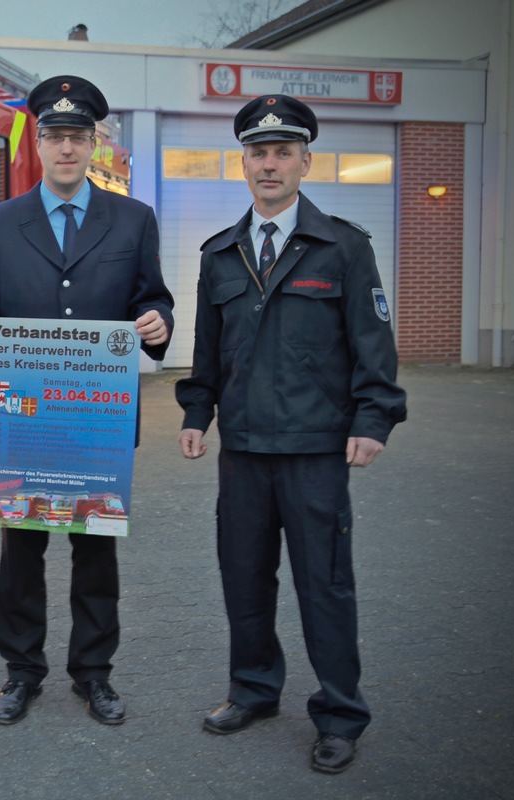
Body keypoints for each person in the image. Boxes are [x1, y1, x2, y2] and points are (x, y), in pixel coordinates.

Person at [175, 95, 408, 774]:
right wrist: (197, 413)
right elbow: (208, 351)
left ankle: (339, 714)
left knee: (324, 586)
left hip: (315, 452)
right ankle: (253, 690)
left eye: (282, 152)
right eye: (258, 152)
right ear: (242, 162)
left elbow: (374, 344)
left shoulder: (343, 247)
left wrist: (374, 420)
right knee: (245, 581)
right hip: (244, 452)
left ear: (306, 161)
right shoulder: (221, 254)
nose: (269, 164)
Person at [0, 75, 175, 727]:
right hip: (25, 427)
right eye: (55, 136)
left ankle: (94, 674)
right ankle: (22, 673)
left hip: (94, 425)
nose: (66, 149)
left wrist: (158, 322)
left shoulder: (134, 221)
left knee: (93, 553)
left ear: (93, 146)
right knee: (20, 554)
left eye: (78, 137)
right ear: (38, 144)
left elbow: (151, 298)